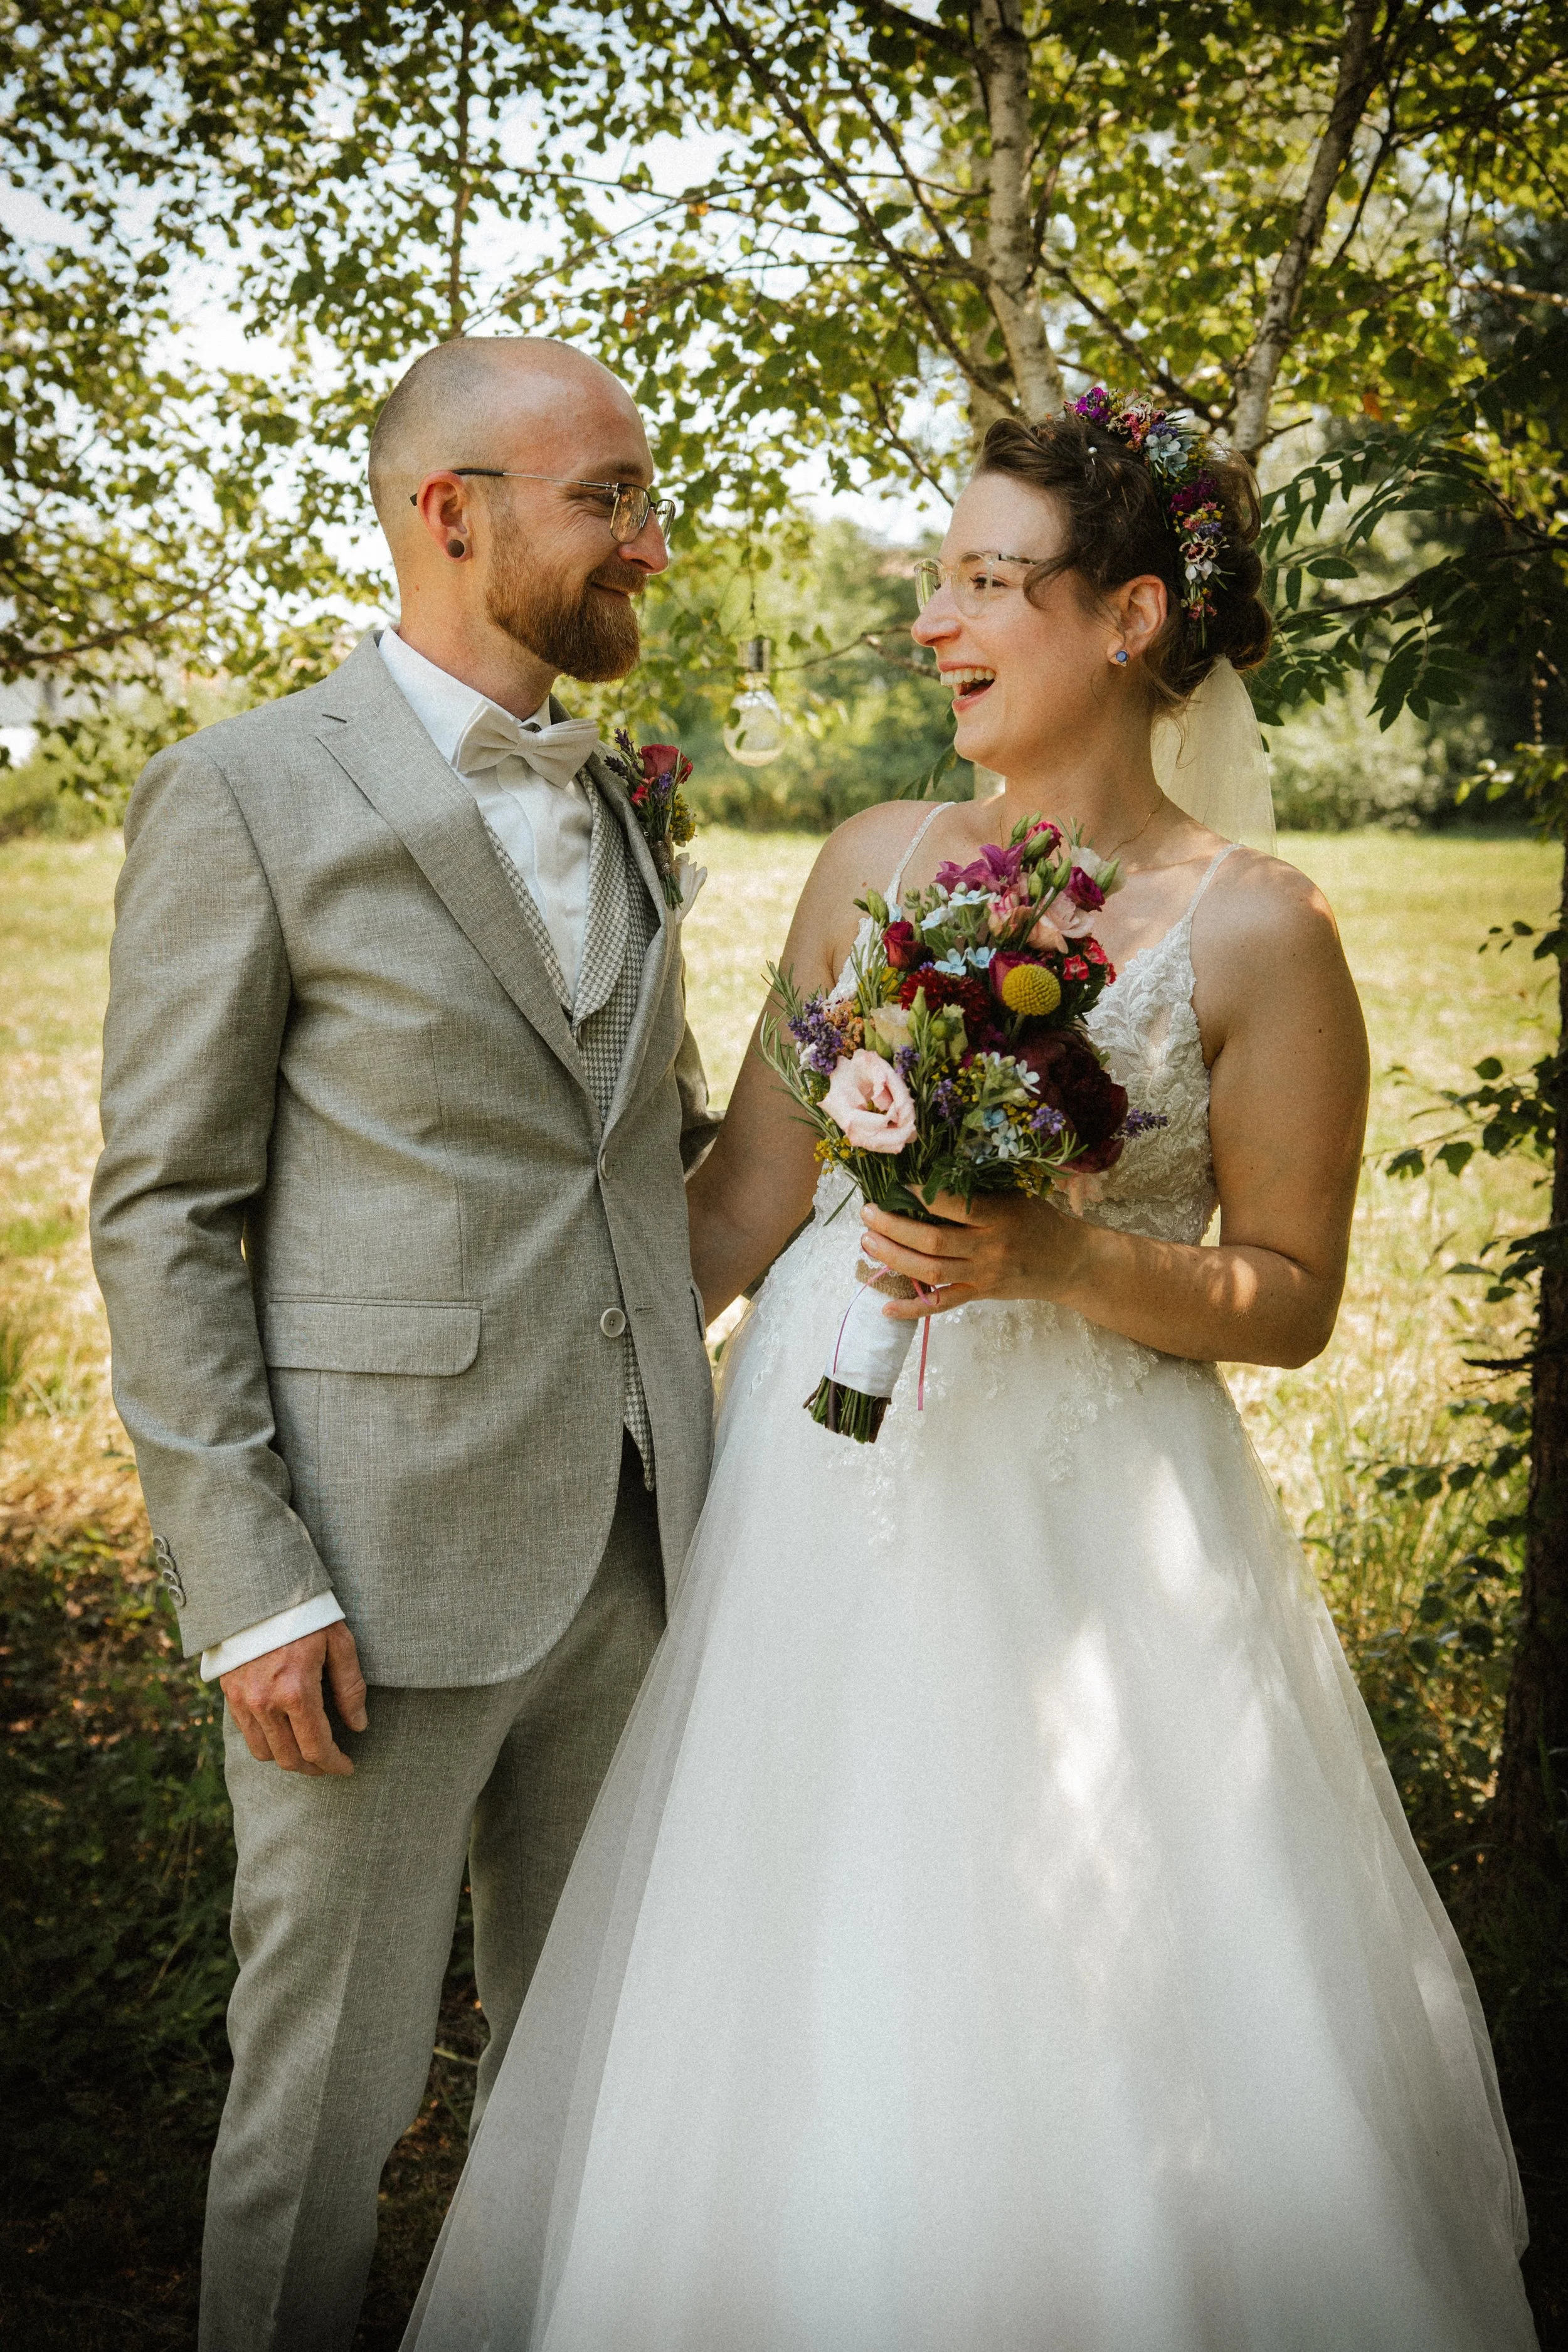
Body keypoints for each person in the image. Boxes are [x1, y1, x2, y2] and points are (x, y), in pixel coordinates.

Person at [402, 395, 1537, 2351]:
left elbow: (1291, 1295)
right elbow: (742, 1206)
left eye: (986, 582)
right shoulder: (872, 856)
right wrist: (464, 1396)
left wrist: (1064, 1254)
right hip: (812, 1503)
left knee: (1087, 1971)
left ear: (1128, 616)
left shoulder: (1258, 929)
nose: (933, 617)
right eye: (936, 574)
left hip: (1099, 1530)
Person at [88, 336, 718, 2352]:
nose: (650, 537)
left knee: (589, 2090)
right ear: (454, 514)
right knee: (327, 2106)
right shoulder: (246, 792)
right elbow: (164, 1211)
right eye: (607, 495)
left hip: (641, 1543)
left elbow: (657, 1154)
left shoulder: (623, 794)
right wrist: (249, 1582)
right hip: (366, 1579)